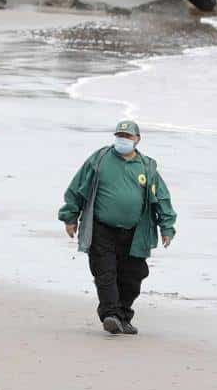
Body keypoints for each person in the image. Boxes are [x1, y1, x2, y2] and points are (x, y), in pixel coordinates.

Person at [58, 119, 176, 335]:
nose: (123, 140)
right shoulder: (100, 159)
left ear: (137, 140)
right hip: (102, 229)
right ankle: (111, 315)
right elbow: (78, 187)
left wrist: (167, 227)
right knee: (105, 273)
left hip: (135, 233)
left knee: (133, 276)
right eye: (120, 136)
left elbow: (161, 198)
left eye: (128, 137)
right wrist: (70, 216)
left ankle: (123, 316)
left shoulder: (147, 167)